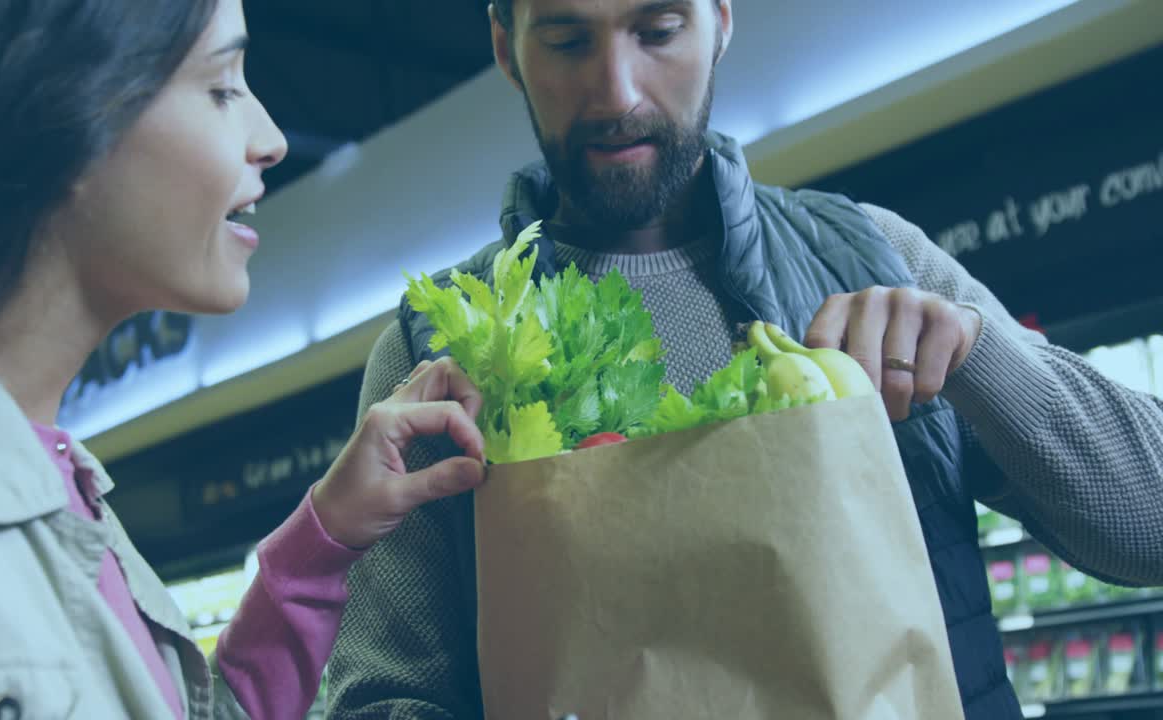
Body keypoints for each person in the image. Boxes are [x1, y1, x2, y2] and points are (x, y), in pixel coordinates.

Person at [325, 1, 1163, 718]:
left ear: (720, 22)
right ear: (507, 49)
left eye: (657, 29)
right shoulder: (435, 348)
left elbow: (1148, 528)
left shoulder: (877, 257)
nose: (616, 91)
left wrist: (979, 356)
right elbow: (380, 693)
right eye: (568, 41)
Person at [0, 1, 487, 719]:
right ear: (62, 106)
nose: (269, 140)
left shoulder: (65, 491)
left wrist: (326, 534)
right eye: (222, 86)